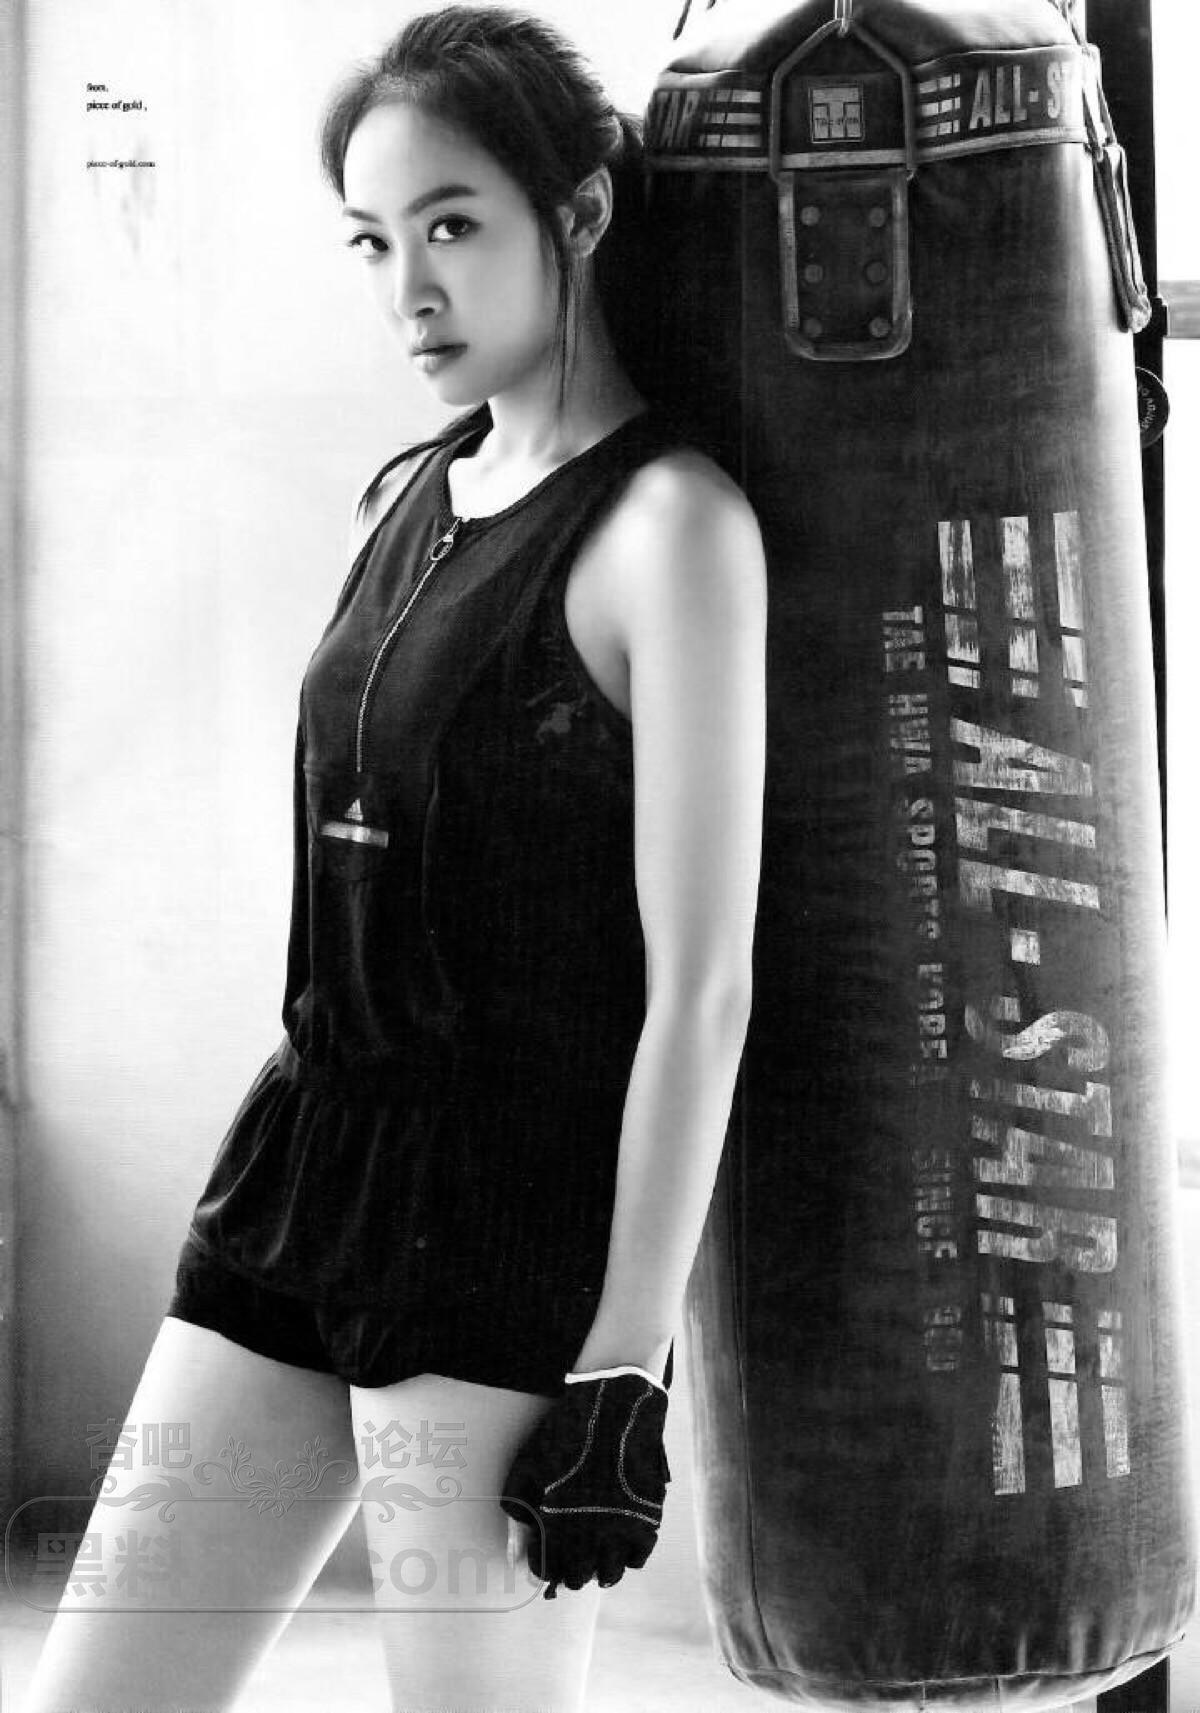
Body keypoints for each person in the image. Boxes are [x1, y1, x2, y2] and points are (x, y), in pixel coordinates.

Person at [24, 6, 766, 1710]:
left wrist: (625, 1363)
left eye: (451, 226)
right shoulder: (410, 495)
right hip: (304, 1171)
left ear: (579, 213)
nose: (408, 288)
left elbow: (703, 989)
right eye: (372, 241)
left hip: (504, 1223)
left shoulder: (671, 531)